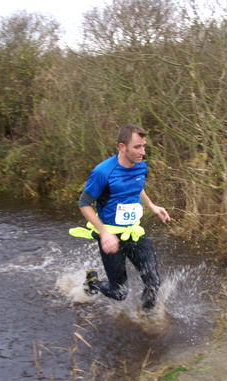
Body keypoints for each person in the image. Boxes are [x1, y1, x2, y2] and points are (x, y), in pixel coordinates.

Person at [71, 124, 171, 313]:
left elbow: (137, 186)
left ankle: (146, 319)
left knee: (153, 282)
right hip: (110, 236)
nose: (142, 152)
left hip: (134, 232)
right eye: (137, 147)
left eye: (144, 146)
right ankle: (93, 283)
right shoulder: (103, 172)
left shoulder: (141, 166)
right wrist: (104, 233)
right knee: (119, 292)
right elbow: (84, 203)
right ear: (122, 147)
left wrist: (152, 206)